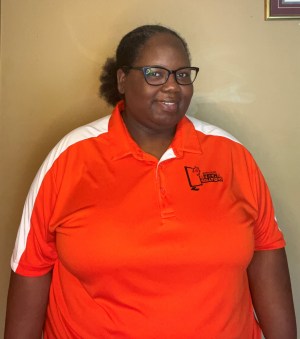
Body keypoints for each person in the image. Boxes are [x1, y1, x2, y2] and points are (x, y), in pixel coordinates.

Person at [5, 24, 296, 339]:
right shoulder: (69, 158)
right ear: (122, 79)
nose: (173, 87)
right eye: (155, 74)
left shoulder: (231, 155)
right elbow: (30, 271)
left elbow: (267, 252)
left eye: (182, 75)